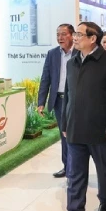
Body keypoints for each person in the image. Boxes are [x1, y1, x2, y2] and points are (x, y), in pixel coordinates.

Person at [58, 22, 106, 211]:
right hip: (75, 128)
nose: (74, 38)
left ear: (92, 38)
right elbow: (68, 96)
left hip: (101, 129)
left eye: (79, 34)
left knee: (104, 171)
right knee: (75, 174)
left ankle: (105, 200)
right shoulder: (72, 62)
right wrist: (65, 123)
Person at [38, 24, 77, 178]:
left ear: (72, 35)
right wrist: (41, 102)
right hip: (59, 101)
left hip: (75, 100)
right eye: (58, 34)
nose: (60, 37)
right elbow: (45, 79)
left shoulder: (79, 53)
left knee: (75, 135)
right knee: (64, 135)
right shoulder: (52, 54)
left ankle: (76, 168)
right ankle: (67, 167)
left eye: (63, 34)